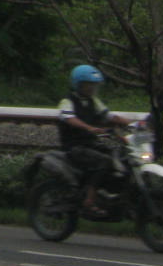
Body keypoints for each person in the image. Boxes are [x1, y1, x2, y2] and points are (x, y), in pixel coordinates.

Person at [56, 63, 135, 218]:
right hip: (74, 147)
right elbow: (69, 118)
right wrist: (89, 128)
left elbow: (110, 117)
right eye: (88, 85)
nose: (91, 88)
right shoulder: (67, 101)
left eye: (94, 85)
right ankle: (89, 201)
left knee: (119, 157)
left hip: (90, 144)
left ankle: (112, 195)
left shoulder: (94, 101)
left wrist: (134, 124)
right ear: (78, 85)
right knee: (103, 162)